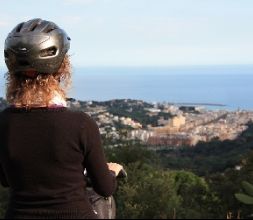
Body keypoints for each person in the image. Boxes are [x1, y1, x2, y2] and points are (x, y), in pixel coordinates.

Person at [0, 18, 123, 219]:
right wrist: (112, 171)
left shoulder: (3, 123)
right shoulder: (81, 124)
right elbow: (105, 188)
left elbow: (6, 179)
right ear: (62, 67)